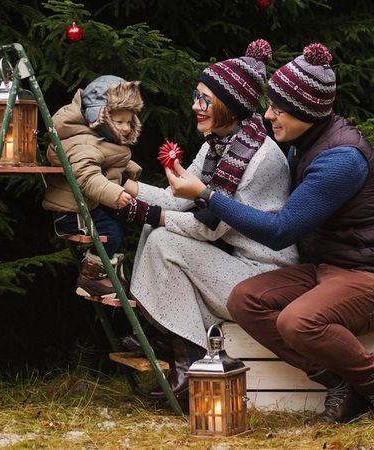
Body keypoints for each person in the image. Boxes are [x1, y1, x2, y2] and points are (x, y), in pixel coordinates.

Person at [164, 42, 374, 434]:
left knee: (298, 322)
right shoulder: (305, 143)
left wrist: (206, 195)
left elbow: (281, 232)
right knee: (246, 299)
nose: (267, 115)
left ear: (307, 110)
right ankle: (340, 384)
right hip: (327, 270)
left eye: (277, 108)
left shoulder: (341, 159)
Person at [116, 39, 298, 400]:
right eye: (196, 96)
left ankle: (190, 360)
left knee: (163, 236)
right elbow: (176, 199)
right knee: (158, 227)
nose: (195, 106)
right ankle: (165, 336)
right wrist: (123, 188)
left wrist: (147, 212)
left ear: (229, 105)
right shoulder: (219, 144)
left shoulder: (257, 159)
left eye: (204, 99)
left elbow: (209, 227)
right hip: (232, 262)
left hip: (263, 277)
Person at [42, 75, 143, 299]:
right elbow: (86, 176)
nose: (126, 128)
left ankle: (105, 274)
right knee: (110, 232)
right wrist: (115, 193)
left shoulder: (96, 135)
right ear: (99, 117)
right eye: (120, 122)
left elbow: (108, 158)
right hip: (72, 213)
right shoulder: (82, 143)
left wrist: (129, 168)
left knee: (117, 226)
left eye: (130, 122)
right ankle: (91, 277)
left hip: (88, 206)